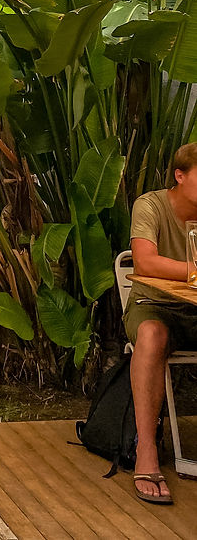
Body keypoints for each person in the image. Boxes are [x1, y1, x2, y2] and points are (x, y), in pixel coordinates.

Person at [125, 142, 197, 505]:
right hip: (154, 304)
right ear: (179, 176)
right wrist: (194, 271)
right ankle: (146, 451)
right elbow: (145, 263)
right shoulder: (150, 205)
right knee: (152, 335)